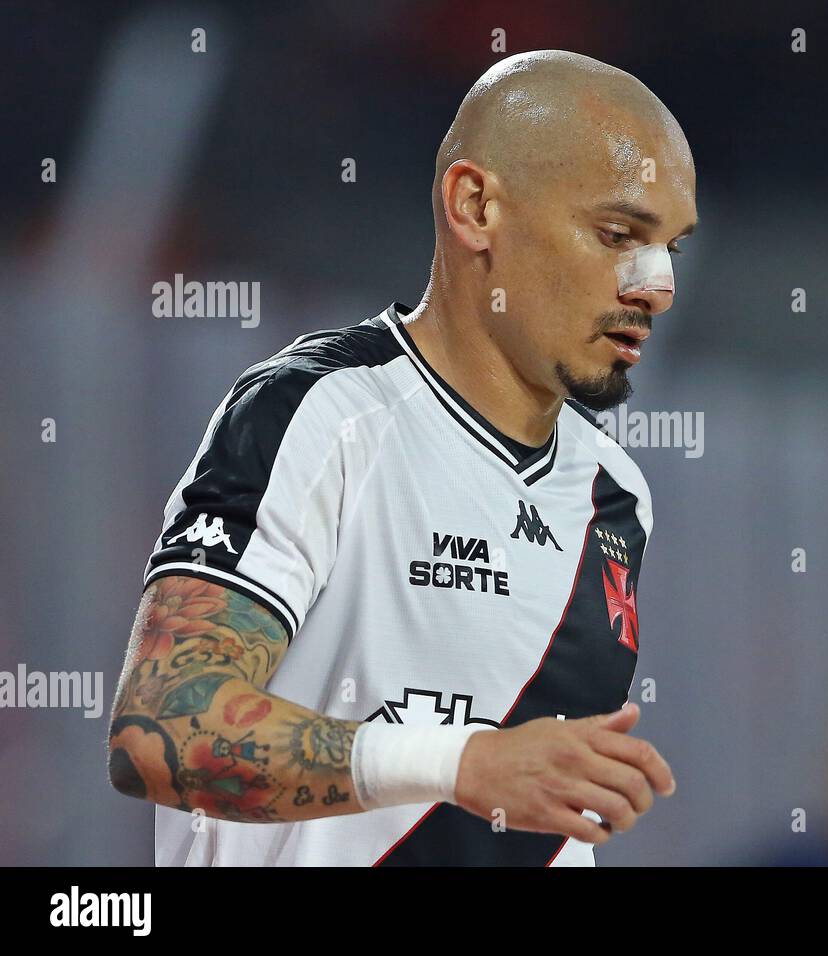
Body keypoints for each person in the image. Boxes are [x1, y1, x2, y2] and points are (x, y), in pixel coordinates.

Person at [106, 49, 697, 866]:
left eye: (671, 246)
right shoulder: (318, 414)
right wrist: (459, 763)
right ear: (475, 205)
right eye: (618, 233)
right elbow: (164, 730)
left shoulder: (616, 494)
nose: (656, 284)